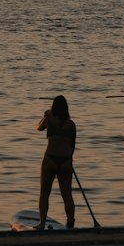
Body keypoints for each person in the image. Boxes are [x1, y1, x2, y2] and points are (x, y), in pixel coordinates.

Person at [37, 94, 76, 230]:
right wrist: (69, 160)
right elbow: (72, 146)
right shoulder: (71, 125)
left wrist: (46, 115)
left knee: (44, 193)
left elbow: (39, 128)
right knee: (67, 195)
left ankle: (42, 224)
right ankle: (70, 222)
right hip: (65, 161)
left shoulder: (49, 119)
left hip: (50, 159)